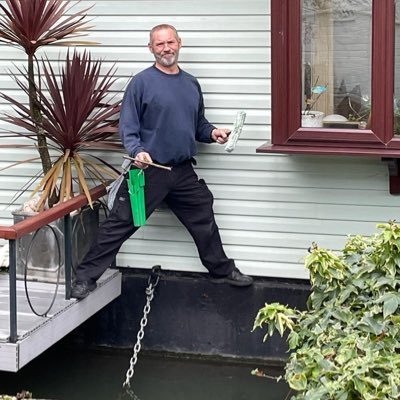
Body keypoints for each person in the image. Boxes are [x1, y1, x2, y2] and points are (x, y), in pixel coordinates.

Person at [71, 24, 253, 299]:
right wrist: (138, 151)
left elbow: (197, 124)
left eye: (170, 42)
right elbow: (128, 129)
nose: (166, 48)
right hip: (148, 171)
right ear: (151, 49)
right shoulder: (141, 83)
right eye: (160, 44)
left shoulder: (191, 83)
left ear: (179, 43)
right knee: (120, 223)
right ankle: (84, 278)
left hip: (181, 172)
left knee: (203, 215)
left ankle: (221, 271)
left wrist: (212, 132)